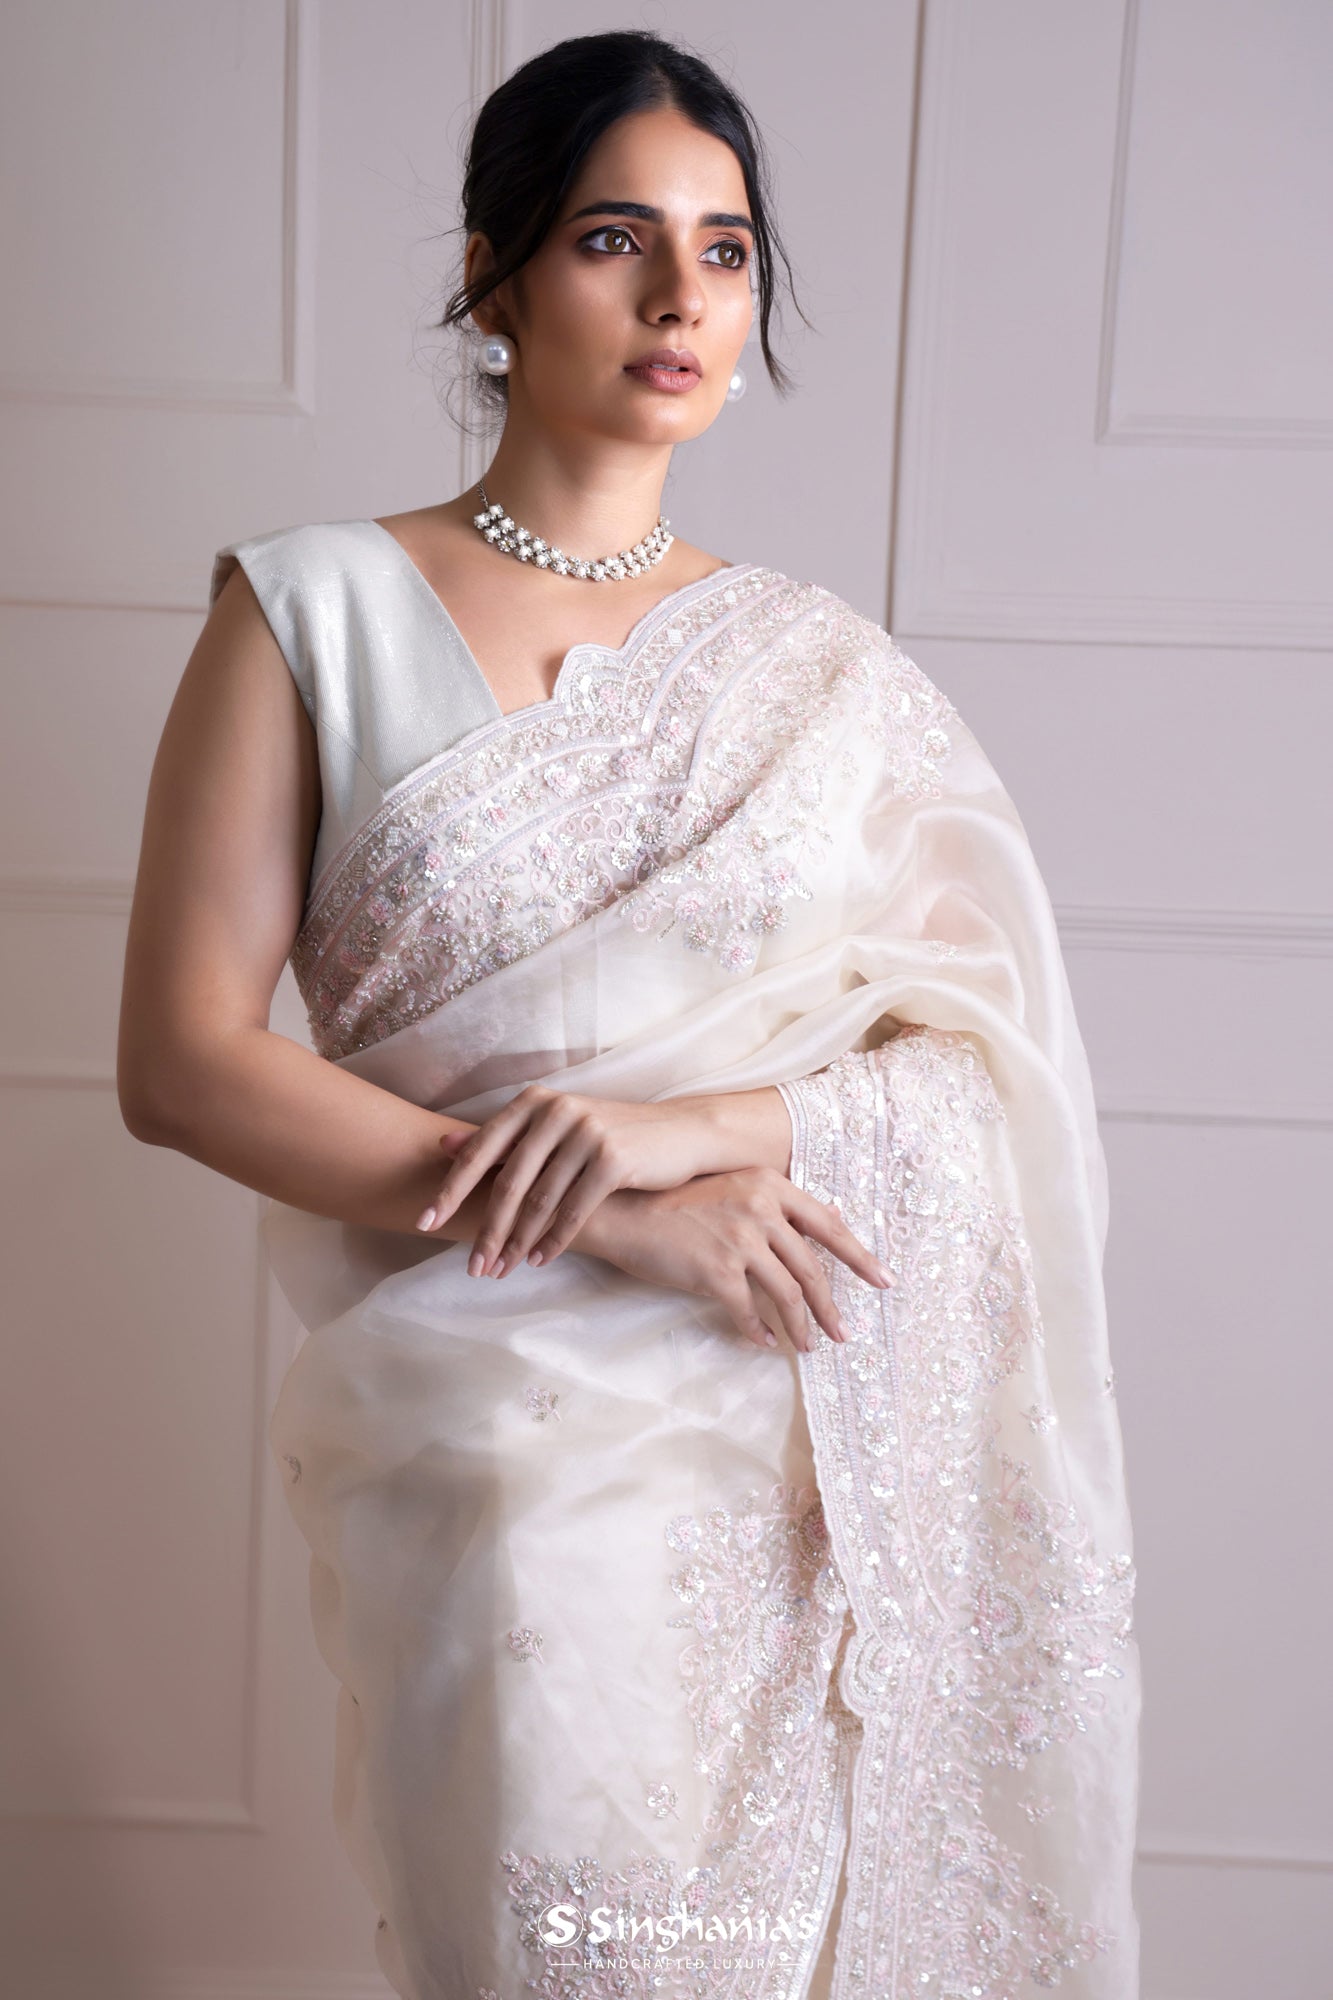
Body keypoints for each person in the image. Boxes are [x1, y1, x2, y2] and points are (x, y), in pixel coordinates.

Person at [117, 28, 1141, 2000]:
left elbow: (981, 1066)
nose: (682, 295)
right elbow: (183, 1062)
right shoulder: (311, 615)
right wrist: (609, 1207)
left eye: (725, 250)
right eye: (614, 238)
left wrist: (694, 1135)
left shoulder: (822, 680)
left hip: (794, 1438)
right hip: (499, 1466)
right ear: (492, 280)